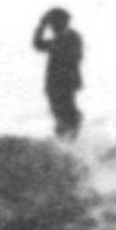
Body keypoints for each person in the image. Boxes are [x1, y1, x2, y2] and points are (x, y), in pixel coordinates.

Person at [32, 7, 84, 138]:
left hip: (65, 82)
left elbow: (72, 56)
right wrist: (41, 25)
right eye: (51, 24)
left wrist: (43, 24)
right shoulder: (60, 38)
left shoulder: (71, 37)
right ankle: (65, 139)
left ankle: (70, 139)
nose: (52, 27)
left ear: (63, 22)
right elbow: (37, 44)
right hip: (55, 83)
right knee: (59, 113)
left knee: (66, 114)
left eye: (54, 23)